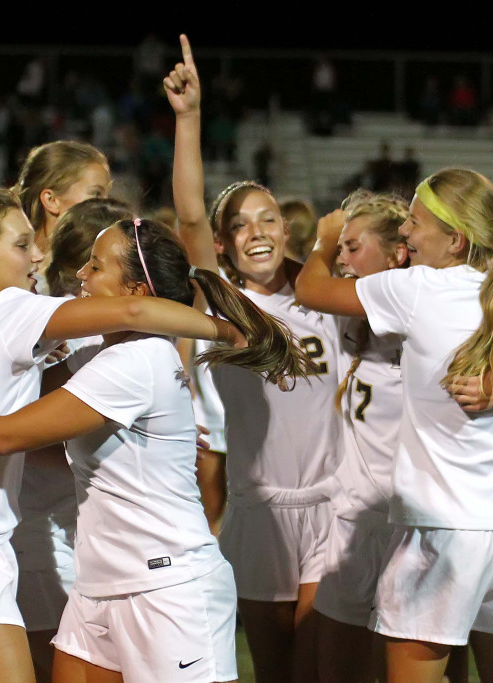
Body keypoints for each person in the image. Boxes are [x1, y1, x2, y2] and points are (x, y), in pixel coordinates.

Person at [0, 216, 315, 683]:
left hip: (166, 587)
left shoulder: (137, 359)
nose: (80, 275)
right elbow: (35, 424)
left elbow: (8, 435)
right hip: (99, 585)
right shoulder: (95, 354)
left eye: (96, 266)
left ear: (136, 290)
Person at [296, 167, 493, 682]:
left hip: (443, 526)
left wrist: (324, 244)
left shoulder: (419, 289)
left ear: (455, 239)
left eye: (414, 222)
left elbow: (310, 291)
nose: (407, 234)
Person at [166, 36, 342, 683]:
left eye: (267, 218)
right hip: (260, 509)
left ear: (286, 228)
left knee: (322, 663)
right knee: (279, 667)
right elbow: (187, 217)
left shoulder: (326, 295)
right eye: (241, 224)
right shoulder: (225, 304)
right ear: (223, 242)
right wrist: (189, 119)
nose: (258, 230)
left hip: (332, 504)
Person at [23, 196, 134, 683]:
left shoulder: (126, 334)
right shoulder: (52, 324)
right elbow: (24, 435)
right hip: (50, 528)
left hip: (102, 535)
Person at [309, 191, 408, 683]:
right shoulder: (347, 312)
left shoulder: (420, 314)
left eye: (353, 247)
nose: (342, 260)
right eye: (339, 249)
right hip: (352, 516)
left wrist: (322, 244)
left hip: (408, 524)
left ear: (397, 253)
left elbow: (309, 285)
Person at [12, 141, 111, 285]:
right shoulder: (18, 278)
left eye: (108, 195)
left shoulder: (103, 269)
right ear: (52, 200)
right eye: (96, 194)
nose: (108, 205)